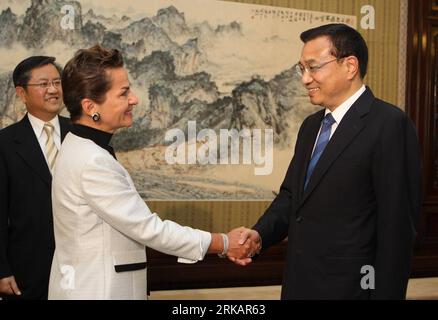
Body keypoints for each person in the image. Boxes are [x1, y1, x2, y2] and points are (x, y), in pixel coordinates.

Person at [48, 45, 259, 300]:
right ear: (91, 106)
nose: (134, 99)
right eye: (124, 93)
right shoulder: (93, 161)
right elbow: (151, 230)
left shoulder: (77, 146)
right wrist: (224, 243)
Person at [238, 24, 422, 299]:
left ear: (349, 66)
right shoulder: (311, 126)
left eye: (314, 67)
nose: (305, 79)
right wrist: (259, 234)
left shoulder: (389, 124)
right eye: (302, 69)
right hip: (300, 284)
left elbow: (396, 231)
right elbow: (292, 197)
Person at [0, 56, 71, 299]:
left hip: (82, 265)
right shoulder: (5, 144)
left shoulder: (82, 135)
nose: (53, 90)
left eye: (57, 82)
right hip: (28, 270)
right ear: (22, 93)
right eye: (43, 84)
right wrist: (1, 270)